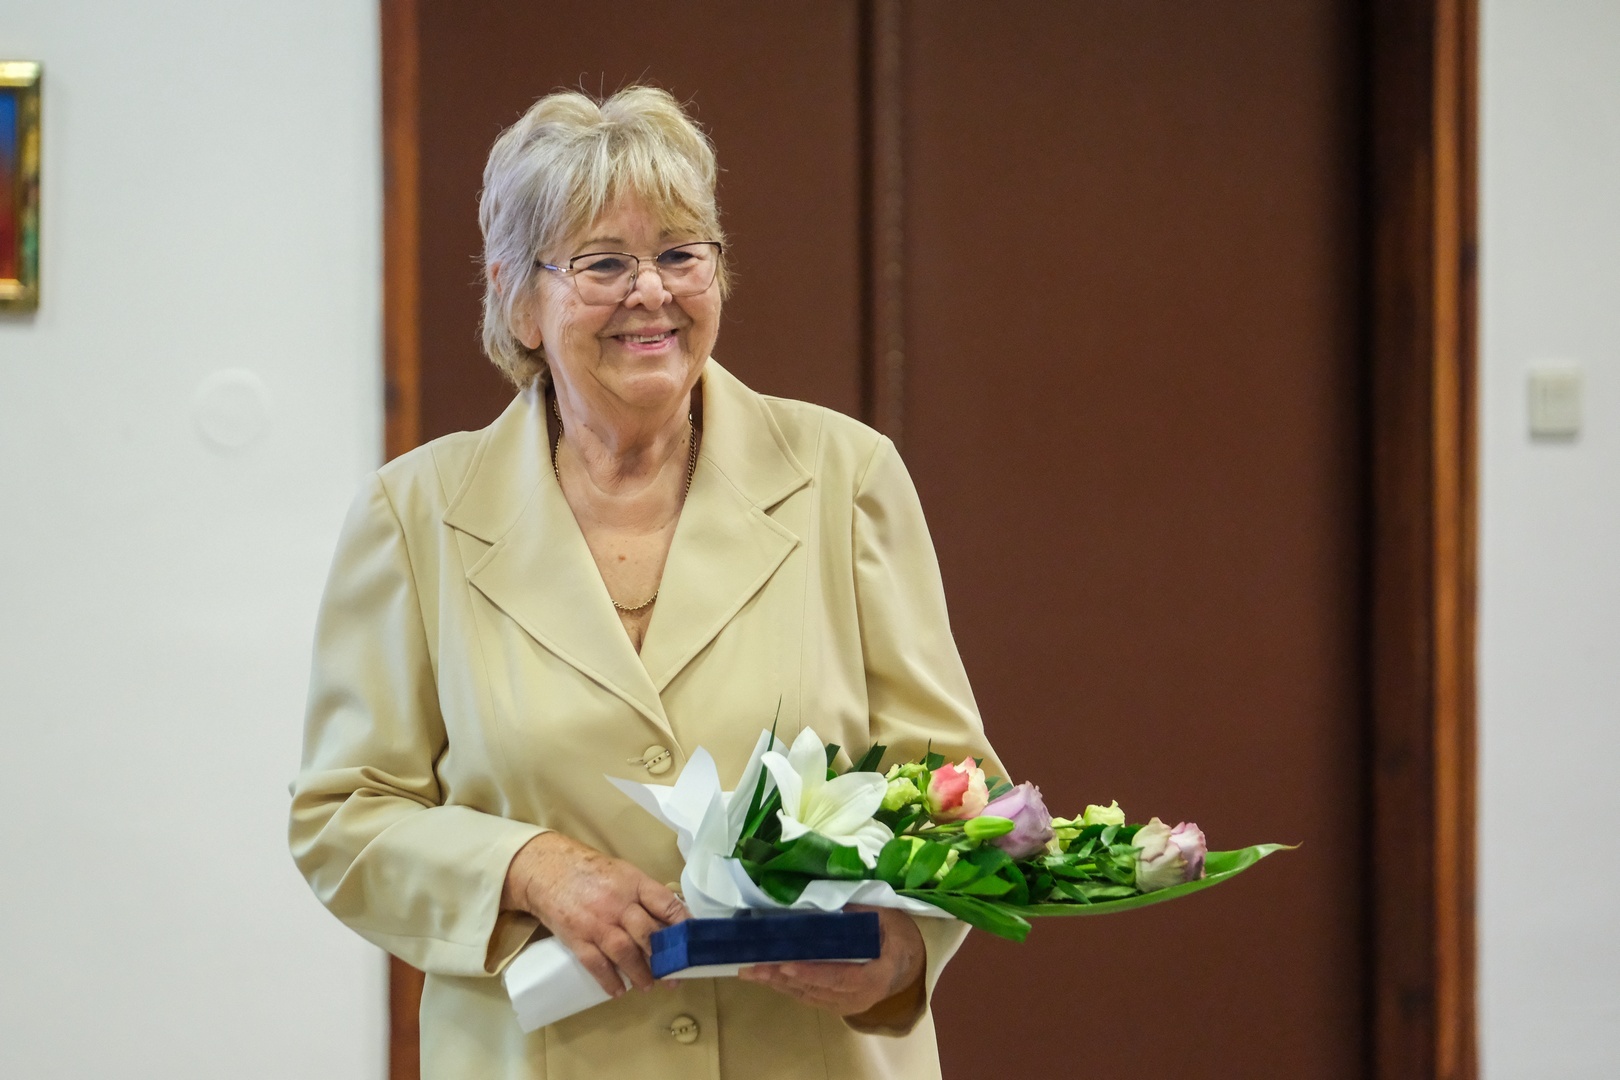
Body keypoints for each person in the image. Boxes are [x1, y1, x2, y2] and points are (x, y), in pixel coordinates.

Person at [288, 85, 1004, 1080]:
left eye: (680, 253)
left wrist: (904, 948)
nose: (652, 293)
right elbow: (344, 816)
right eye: (603, 263)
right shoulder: (415, 515)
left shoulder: (846, 478)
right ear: (517, 298)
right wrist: (528, 867)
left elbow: (954, 782)